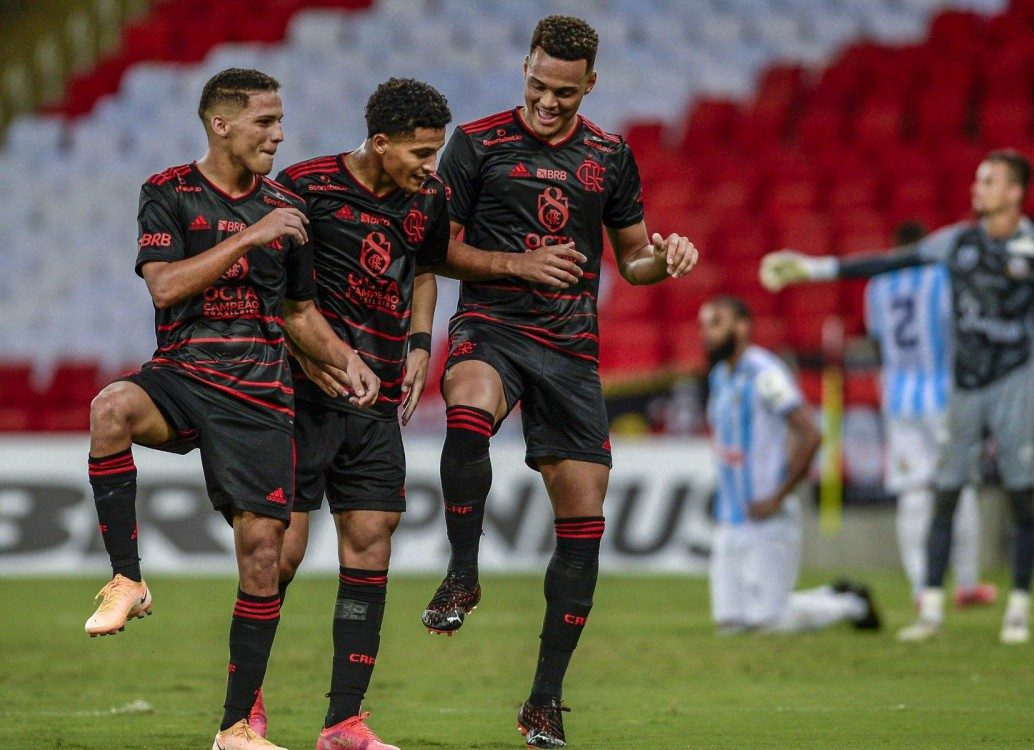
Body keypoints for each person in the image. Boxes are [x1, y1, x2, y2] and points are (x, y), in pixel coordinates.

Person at [760, 149, 1034, 644]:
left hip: (1016, 385)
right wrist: (811, 269)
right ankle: (930, 611)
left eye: (988, 181)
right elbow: (889, 261)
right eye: (977, 179)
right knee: (945, 494)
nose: (976, 188)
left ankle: (1019, 609)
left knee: (1020, 496)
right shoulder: (957, 243)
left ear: (1014, 192)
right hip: (963, 389)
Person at [424, 15, 699, 748]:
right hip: (493, 326)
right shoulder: (478, 144)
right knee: (466, 411)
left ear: (591, 85)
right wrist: (517, 264)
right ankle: (462, 574)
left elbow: (632, 259)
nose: (549, 103)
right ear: (525, 69)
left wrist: (662, 258)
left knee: (583, 524)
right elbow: (438, 247)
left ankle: (543, 702)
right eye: (540, 86)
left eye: (565, 94)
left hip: (571, 348)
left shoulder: (609, 155)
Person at [85, 68, 379, 750]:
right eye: (264, 123)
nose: (278, 135)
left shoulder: (285, 208)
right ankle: (126, 578)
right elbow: (164, 289)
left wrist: (344, 360)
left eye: (279, 122)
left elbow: (299, 313)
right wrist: (249, 237)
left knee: (262, 560)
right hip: (184, 376)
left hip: (258, 398)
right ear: (221, 125)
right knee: (110, 410)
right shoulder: (169, 193)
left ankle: (235, 728)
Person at [253, 78, 451, 750]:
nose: (431, 165)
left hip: (378, 396)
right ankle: (245, 710)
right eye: (420, 152)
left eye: (437, 152)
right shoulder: (305, 187)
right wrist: (305, 357)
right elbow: (265, 287)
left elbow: (425, 266)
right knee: (278, 554)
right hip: (300, 397)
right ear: (380, 141)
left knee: (372, 538)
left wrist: (422, 341)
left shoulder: (429, 197)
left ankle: (343, 723)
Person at [700, 296, 880, 635]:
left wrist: (778, 496)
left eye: (716, 323)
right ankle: (831, 593)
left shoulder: (766, 374)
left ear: (742, 326)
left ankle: (851, 604)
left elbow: (811, 434)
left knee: (768, 622)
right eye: (704, 326)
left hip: (769, 516)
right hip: (731, 518)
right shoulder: (719, 376)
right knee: (731, 625)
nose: (706, 334)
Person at [864, 222, 995, 606]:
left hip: (899, 399)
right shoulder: (940, 277)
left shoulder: (877, 286)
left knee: (913, 491)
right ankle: (967, 583)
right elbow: (962, 332)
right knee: (958, 484)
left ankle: (921, 586)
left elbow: (876, 341)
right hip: (943, 395)